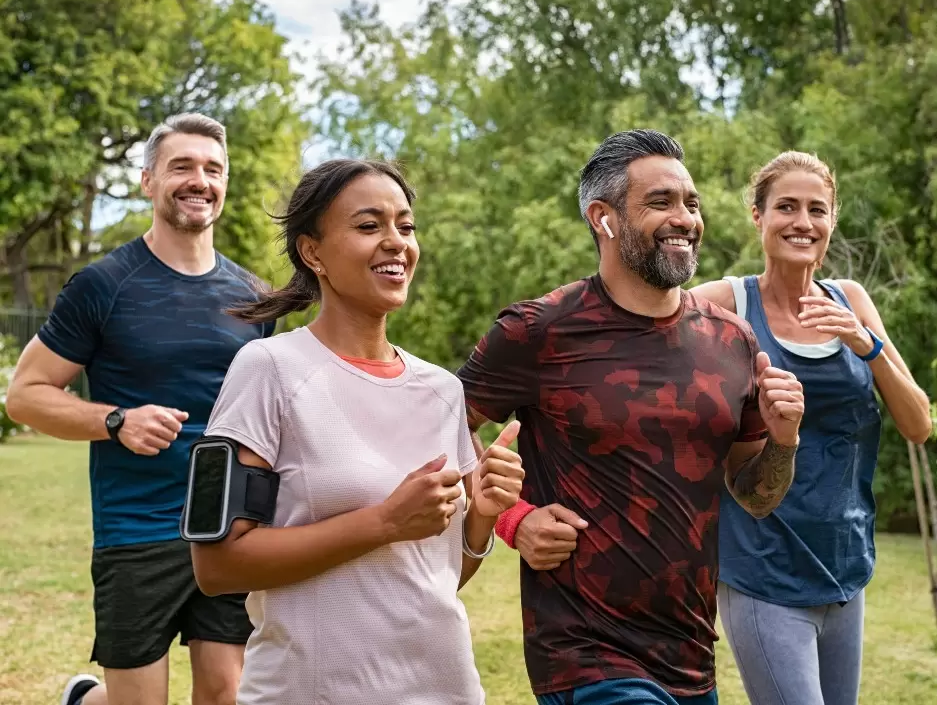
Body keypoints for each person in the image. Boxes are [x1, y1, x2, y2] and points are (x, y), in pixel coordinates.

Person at [457, 129, 806, 705]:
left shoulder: (733, 340)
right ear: (604, 218)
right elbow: (439, 424)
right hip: (583, 651)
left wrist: (784, 439)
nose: (685, 218)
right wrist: (513, 519)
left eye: (691, 203)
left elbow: (756, 495)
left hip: (691, 655)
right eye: (661, 202)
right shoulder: (538, 330)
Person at [187, 158, 525, 705]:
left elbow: (433, 578)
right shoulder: (267, 368)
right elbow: (218, 567)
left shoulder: (442, 390)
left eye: (406, 227)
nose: (396, 242)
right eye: (369, 226)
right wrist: (386, 521)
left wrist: (480, 519)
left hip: (445, 689)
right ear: (312, 252)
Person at [6, 114, 276, 705]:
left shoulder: (255, 298)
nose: (199, 180)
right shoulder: (103, 286)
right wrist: (115, 421)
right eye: (182, 166)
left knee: (225, 693)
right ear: (149, 180)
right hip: (137, 528)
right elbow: (25, 394)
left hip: (228, 523)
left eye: (213, 169)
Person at [689, 150, 933, 705]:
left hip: (846, 568)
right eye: (786, 207)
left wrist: (865, 345)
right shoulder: (724, 304)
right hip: (764, 573)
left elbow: (918, 423)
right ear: (758, 216)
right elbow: (641, 340)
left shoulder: (852, 301)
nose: (803, 222)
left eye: (817, 210)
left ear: (832, 221)